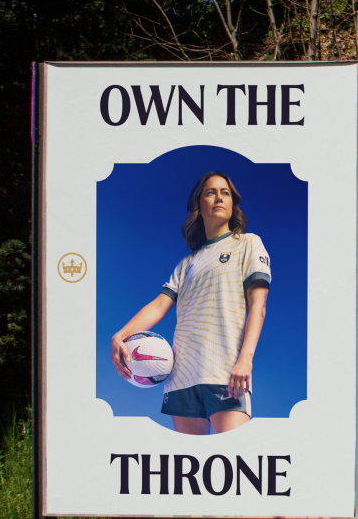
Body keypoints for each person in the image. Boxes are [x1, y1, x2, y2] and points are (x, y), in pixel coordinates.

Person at [110, 171, 271, 434]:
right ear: (199, 205)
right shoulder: (186, 265)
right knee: (190, 467)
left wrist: (246, 359)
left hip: (225, 372)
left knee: (233, 461)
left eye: (225, 192)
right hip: (181, 378)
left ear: (232, 204)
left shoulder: (249, 244)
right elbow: (159, 305)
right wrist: (121, 335)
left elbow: (258, 306)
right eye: (211, 192)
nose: (219, 197)